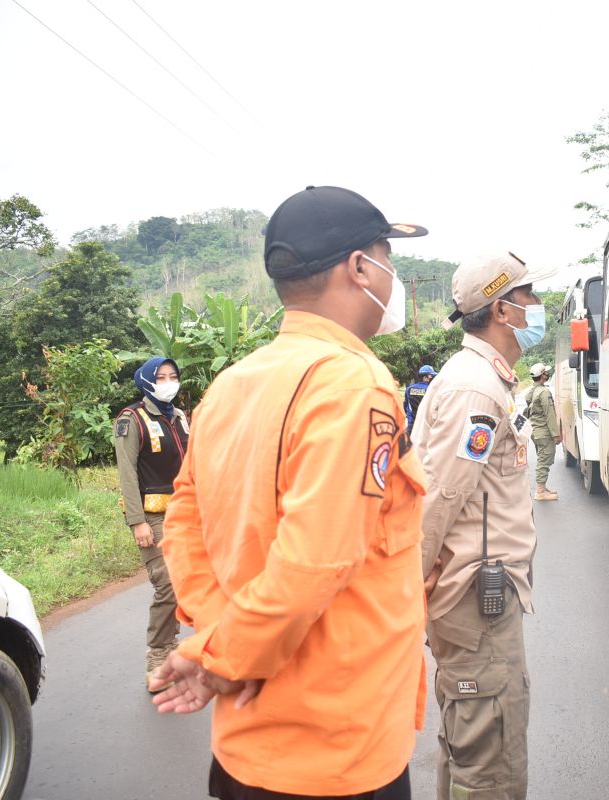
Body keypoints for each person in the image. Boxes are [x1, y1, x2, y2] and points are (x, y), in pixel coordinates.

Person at [150, 186, 431, 800]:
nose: (394, 279)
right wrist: (227, 658)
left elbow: (185, 523)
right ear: (360, 268)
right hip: (335, 751)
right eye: (389, 258)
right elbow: (315, 561)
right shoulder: (354, 386)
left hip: (246, 749)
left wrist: (220, 641)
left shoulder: (232, 383)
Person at [412, 250, 557, 800]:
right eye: (530, 297)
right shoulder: (476, 387)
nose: (540, 306)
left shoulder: (486, 378)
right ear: (503, 310)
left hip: (476, 593)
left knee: (473, 742)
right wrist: (413, 585)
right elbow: (439, 498)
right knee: (488, 754)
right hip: (475, 598)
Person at [112, 356, 189, 691]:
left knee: (184, 584)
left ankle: (172, 648)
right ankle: (157, 656)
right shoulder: (132, 419)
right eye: (161, 377)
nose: (168, 382)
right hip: (153, 518)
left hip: (185, 516)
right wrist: (137, 522)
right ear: (146, 380)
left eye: (173, 376)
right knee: (167, 584)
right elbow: (127, 474)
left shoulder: (180, 418)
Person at [522, 363, 560, 500]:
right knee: (544, 460)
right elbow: (550, 414)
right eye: (546, 373)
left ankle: (543, 488)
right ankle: (540, 491)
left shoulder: (534, 390)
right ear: (542, 375)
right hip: (543, 432)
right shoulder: (544, 392)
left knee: (542, 458)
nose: (547, 374)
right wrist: (556, 435)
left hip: (535, 431)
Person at [404, 364, 437, 435]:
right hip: (426, 427)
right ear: (425, 378)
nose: (433, 378)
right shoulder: (431, 390)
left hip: (411, 426)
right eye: (431, 376)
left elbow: (405, 406)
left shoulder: (409, 389)